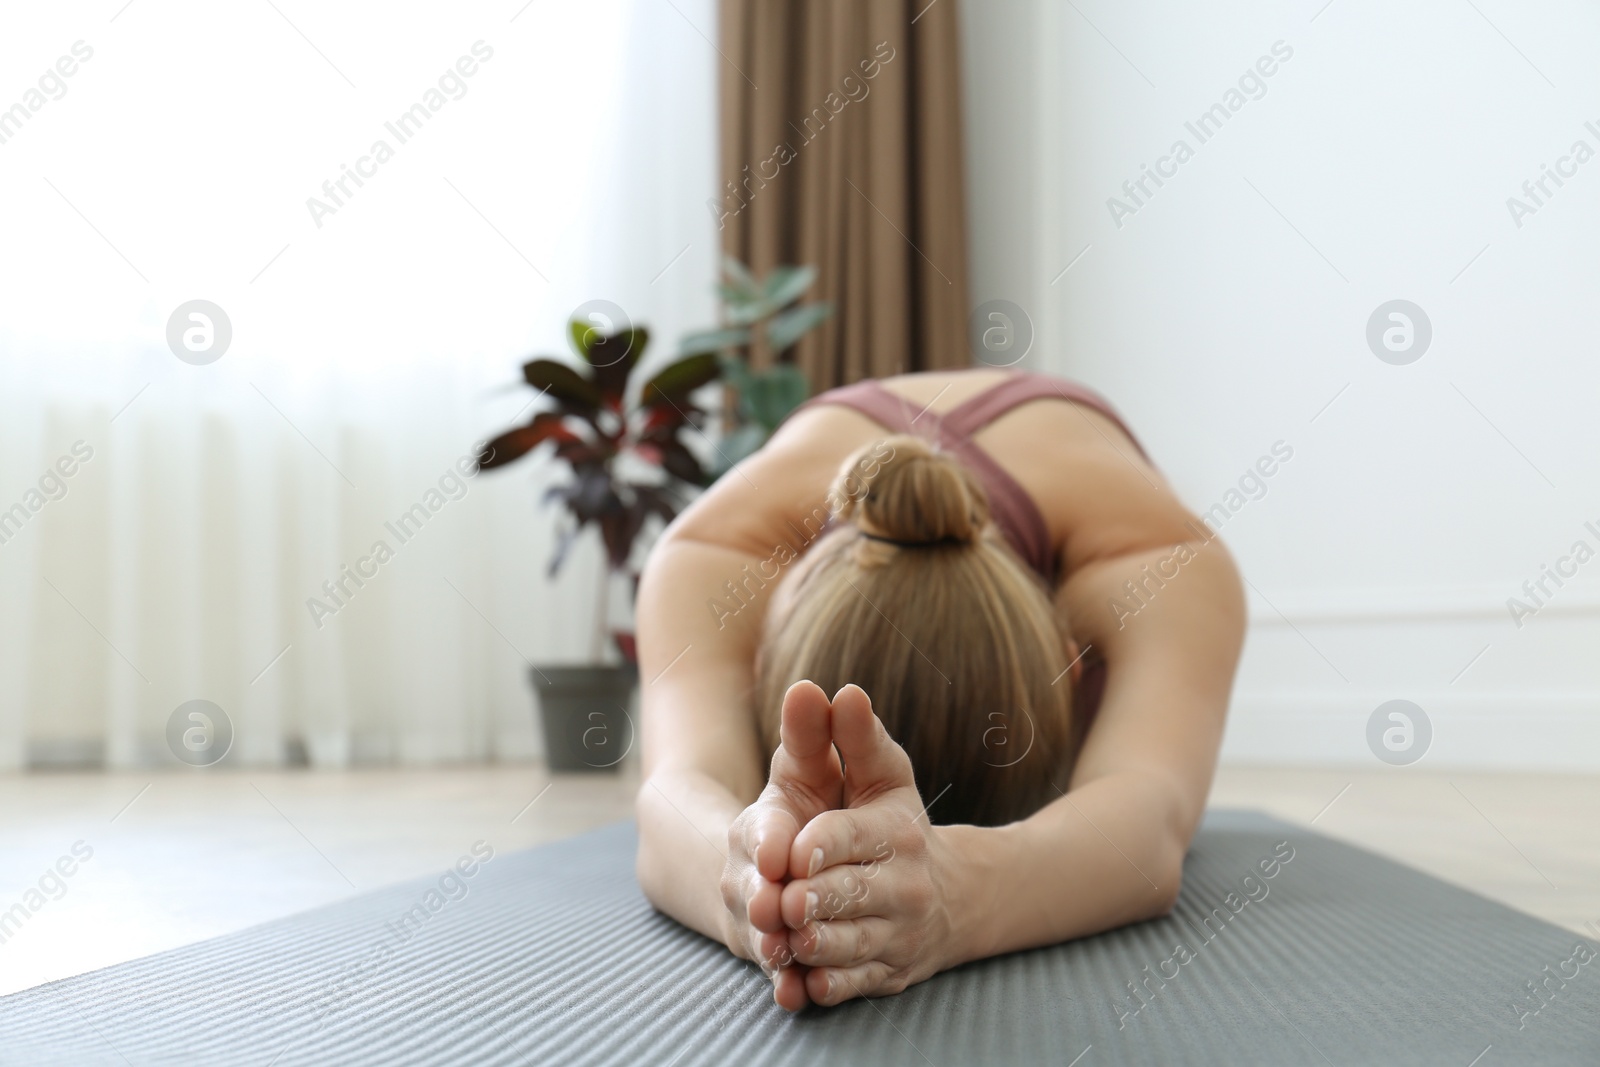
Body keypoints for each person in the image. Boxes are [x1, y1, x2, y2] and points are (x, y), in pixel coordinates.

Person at [633, 367, 1245, 1011]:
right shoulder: (714, 556)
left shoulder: (1162, 558)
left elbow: (1149, 825)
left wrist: (954, 896)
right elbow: (673, 801)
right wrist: (756, 886)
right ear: (757, 656)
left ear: (1073, 671)